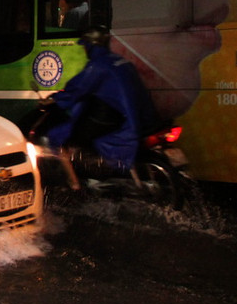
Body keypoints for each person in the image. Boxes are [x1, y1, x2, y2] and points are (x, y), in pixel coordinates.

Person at [40, 25, 155, 191]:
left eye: (85, 46)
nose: (84, 49)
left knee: (63, 136)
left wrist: (54, 99)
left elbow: (77, 89)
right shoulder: (120, 61)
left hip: (111, 118)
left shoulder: (98, 66)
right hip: (133, 115)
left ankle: (75, 184)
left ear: (91, 45)